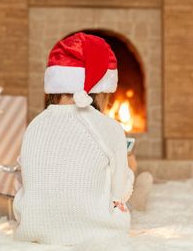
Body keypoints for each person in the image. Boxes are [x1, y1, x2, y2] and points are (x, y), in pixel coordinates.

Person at [14, 32, 150, 245]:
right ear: (103, 91)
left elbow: (26, 180)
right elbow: (119, 193)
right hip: (97, 232)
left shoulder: (34, 126)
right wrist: (128, 168)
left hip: (35, 229)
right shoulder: (109, 129)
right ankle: (138, 187)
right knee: (128, 190)